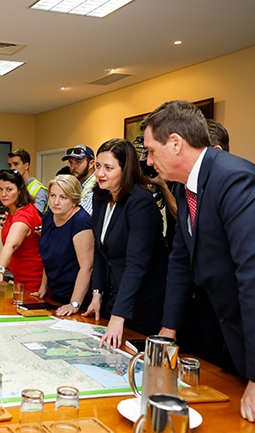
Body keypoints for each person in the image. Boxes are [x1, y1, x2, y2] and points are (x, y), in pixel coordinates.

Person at [142, 100, 255, 425]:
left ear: (175, 143)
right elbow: (181, 260)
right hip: (228, 335)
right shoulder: (190, 187)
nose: (147, 161)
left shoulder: (237, 182)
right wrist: (168, 330)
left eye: (150, 151)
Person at [84, 138, 168, 349]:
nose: (99, 173)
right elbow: (101, 252)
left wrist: (119, 315)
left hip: (143, 301)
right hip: (114, 295)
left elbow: (136, 263)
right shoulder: (100, 197)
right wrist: (96, 294)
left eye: (108, 168)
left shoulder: (140, 202)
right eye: (98, 166)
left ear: (126, 169)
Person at [35, 175, 94, 316]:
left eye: (63, 197)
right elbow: (48, 254)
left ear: (74, 200)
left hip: (79, 299)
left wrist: (74, 303)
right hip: (56, 295)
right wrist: (43, 287)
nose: (56, 202)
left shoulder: (81, 222)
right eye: (53, 196)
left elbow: (87, 267)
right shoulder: (49, 216)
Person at [0, 169, 43, 293]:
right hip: (19, 279)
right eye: (0, 189)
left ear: (20, 190)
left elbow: (11, 245)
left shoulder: (23, 216)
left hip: (32, 282)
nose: (3, 194)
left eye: (9, 189)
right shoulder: (13, 211)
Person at [8, 148, 48, 215]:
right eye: (10, 165)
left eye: (16, 164)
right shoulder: (16, 187)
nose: (12, 168)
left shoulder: (39, 190)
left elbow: (34, 216)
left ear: (26, 165)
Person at [61, 144, 96, 215]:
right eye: (71, 162)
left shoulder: (98, 185)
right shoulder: (78, 185)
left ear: (91, 164)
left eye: (78, 162)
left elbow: (84, 216)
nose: (72, 167)